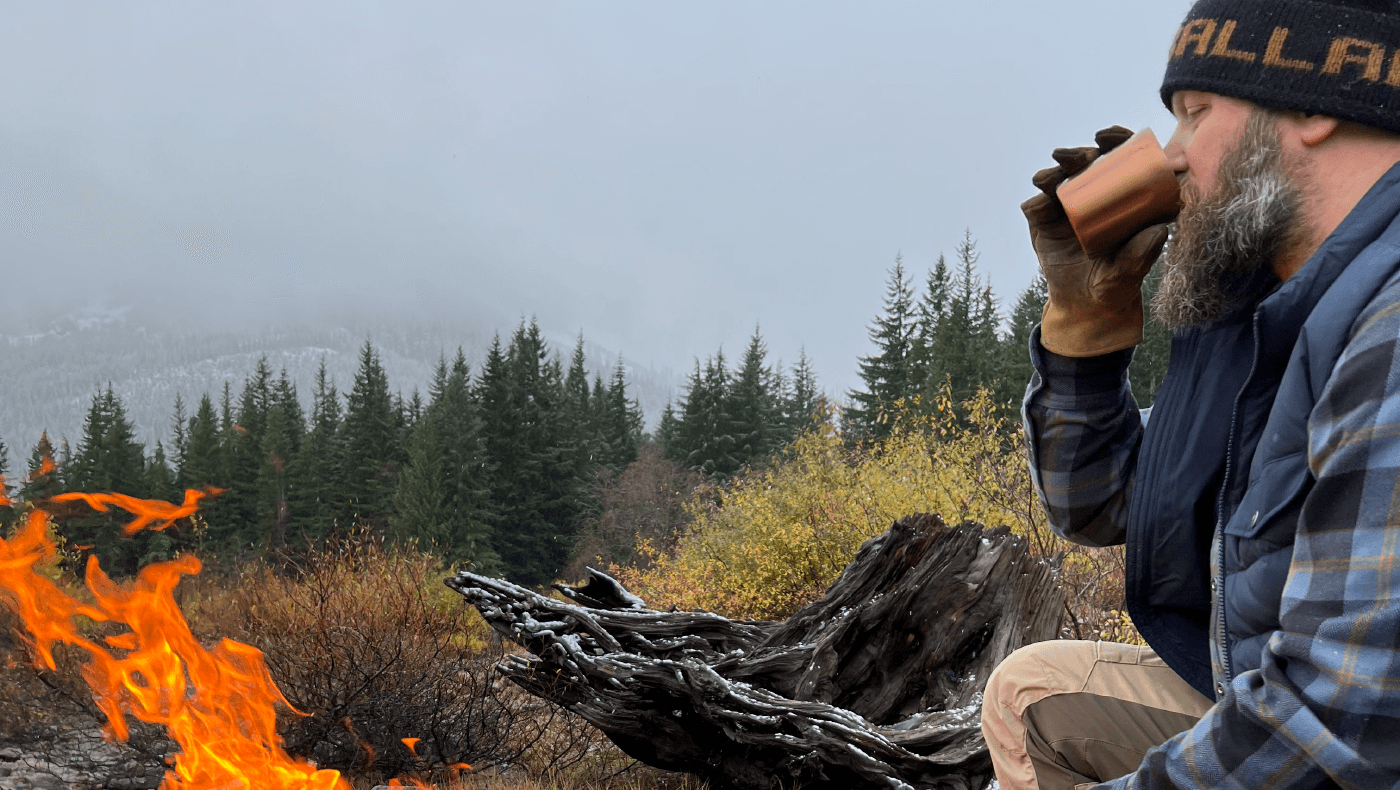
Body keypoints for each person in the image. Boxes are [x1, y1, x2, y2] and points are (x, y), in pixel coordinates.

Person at [979, 1, 1400, 788]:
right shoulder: (1251, 311)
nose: (1170, 157)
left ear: (1313, 106)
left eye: (1196, 115)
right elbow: (1100, 506)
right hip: (1264, 684)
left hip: (1350, 734)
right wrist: (1087, 322)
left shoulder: (1388, 328)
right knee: (1035, 693)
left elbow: (1350, 724)